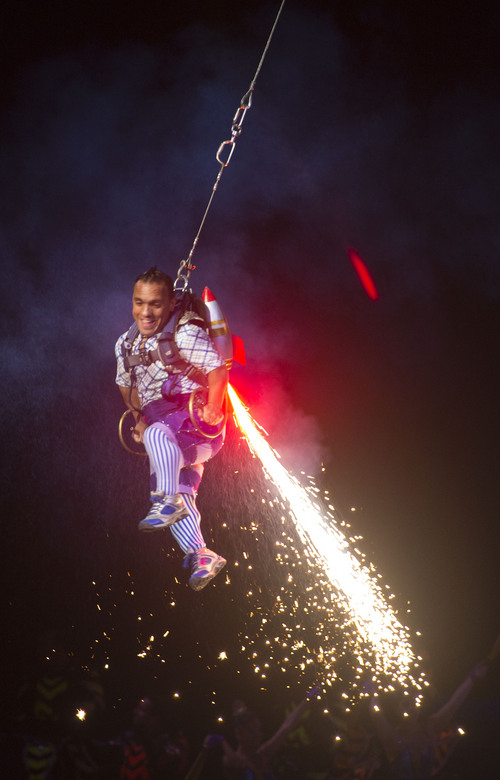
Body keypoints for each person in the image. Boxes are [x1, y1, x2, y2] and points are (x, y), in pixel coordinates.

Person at [115, 266, 228, 590]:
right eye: (139, 303)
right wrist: (137, 417)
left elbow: (218, 370)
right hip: (164, 431)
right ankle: (202, 554)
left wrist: (213, 407)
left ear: (168, 303)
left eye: (155, 304)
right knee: (179, 489)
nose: (146, 312)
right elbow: (127, 386)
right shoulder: (125, 345)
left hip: (197, 424)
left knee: (157, 439)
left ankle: (166, 499)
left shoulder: (185, 334)